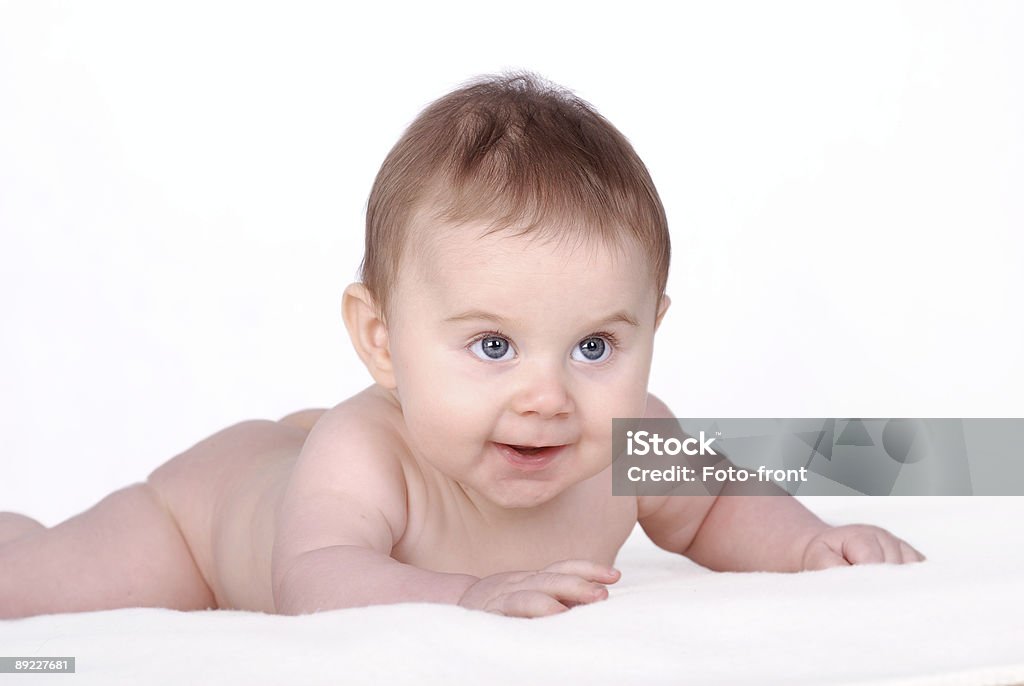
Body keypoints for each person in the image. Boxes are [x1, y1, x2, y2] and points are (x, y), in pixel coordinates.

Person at [0, 71, 925, 620]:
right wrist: (461, 602)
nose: (547, 397)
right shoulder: (365, 454)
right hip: (207, 518)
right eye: (492, 346)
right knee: (43, 580)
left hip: (321, 461)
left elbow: (719, 502)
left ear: (654, 330)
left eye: (595, 347)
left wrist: (811, 545)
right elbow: (313, 577)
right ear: (383, 342)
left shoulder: (633, 441)